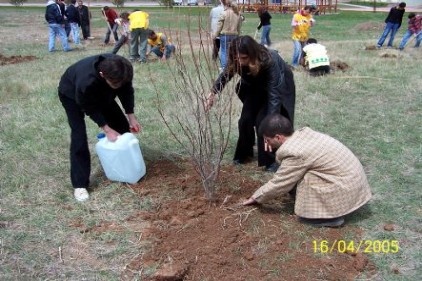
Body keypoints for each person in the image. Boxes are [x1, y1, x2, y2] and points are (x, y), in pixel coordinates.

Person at [243, 114, 372, 228]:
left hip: (345, 187)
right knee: (302, 174)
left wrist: (256, 197)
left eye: (267, 140)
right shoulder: (303, 135)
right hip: (354, 181)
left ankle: (331, 218)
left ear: (278, 137)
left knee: (306, 181)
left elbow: (280, 183)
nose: (266, 143)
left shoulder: (294, 152)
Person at [58, 54, 142, 202]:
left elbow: (126, 90)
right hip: (72, 94)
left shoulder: (123, 69)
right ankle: (79, 185)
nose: (119, 87)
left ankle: (126, 168)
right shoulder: (86, 82)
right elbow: (88, 106)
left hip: (102, 91)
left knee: (122, 126)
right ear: (102, 75)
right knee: (79, 135)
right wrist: (107, 129)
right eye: (116, 84)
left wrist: (131, 117)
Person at [205, 36, 295, 172]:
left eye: (244, 58)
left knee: (263, 123)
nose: (240, 62)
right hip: (255, 86)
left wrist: (270, 126)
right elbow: (226, 75)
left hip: (276, 88)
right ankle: (245, 153)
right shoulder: (237, 59)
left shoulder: (270, 60)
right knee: (245, 120)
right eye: (237, 58)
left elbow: (274, 96)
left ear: (252, 54)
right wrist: (213, 92)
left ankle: (271, 160)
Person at [215, 0, 242, 70]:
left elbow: (219, 26)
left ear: (227, 5)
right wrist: (238, 34)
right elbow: (239, 26)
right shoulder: (237, 14)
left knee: (224, 50)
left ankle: (224, 67)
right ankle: (233, 65)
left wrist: (215, 34)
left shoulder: (224, 13)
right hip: (234, 35)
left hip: (225, 34)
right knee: (233, 51)